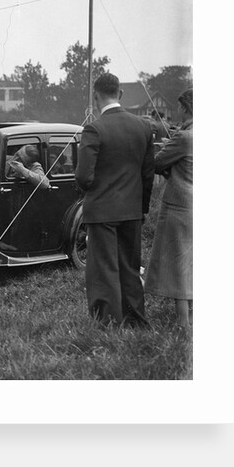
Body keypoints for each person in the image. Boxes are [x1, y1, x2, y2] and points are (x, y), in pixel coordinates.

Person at [75, 73, 155, 327]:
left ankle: (110, 323)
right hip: (132, 211)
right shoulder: (144, 126)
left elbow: (83, 178)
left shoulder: (94, 129)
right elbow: (148, 174)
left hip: (102, 212)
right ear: (120, 94)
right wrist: (140, 208)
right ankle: (136, 320)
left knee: (104, 269)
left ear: (95, 97)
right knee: (130, 267)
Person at [144, 89, 193, 328]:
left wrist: (167, 152)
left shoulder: (184, 137)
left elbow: (157, 163)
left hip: (181, 207)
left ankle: (183, 322)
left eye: (180, 107)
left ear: (185, 108)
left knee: (178, 264)